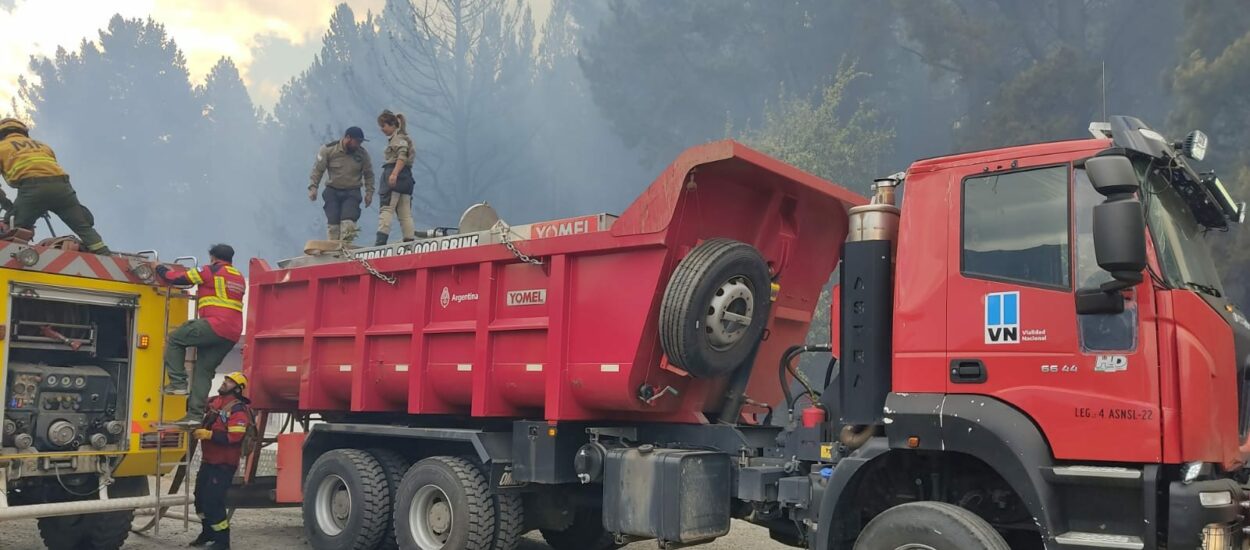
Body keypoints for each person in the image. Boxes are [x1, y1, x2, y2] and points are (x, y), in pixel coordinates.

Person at [155, 244, 245, 425]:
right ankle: (195, 416)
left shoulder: (209, 270)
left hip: (214, 325)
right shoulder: (239, 277)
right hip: (232, 333)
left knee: (175, 339)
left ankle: (178, 383)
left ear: (213, 257)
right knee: (204, 372)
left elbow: (177, 278)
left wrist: (158, 267)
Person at [0, 118, 110, 254]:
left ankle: (13, 258)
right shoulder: (43, 146)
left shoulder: (2, 147)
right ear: (24, 132)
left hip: (32, 188)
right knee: (84, 228)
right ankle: (104, 254)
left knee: (12, 228)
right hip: (63, 188)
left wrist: (9, 207)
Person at [189, 371, 254, 550]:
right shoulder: (215, 402)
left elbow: (235, 437)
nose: (225, 382)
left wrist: (209, 434)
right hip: (208, 461)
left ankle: (222, 541)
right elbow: (198, 405)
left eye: (230, 382)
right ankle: (207, 533)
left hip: (223, 465)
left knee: (213, 501)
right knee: (200, 499)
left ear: (238, 389)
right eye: (226, 379)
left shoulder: (238, 410)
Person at [309, 127, 374, 244]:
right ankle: (333, 252)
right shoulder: (328, 150)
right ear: (348, 138)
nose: (359, 145)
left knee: (348, 224)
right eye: (357, 141)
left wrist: (369, 192)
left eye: (361, 142)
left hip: (352, 193)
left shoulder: (363, 154)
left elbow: (369, 174)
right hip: (332, 191)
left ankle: (346, 248)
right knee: (333, 225)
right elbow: (318, 170)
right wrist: (313, 187)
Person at [374, 110, 417, 246]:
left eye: (383, 126)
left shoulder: (397, 140)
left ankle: (381, 242)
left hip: (394, 174)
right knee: (405, 213)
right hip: (407, 178)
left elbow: (402, 156)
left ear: (392, 125)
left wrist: (394, 174)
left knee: (387, 208)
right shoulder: (405, 138)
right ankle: (409, 240)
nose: (382, 129)